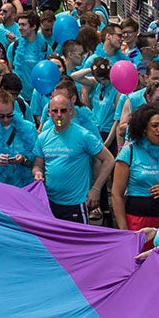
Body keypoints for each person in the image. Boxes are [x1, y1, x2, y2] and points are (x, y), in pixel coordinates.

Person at [33, 94, 110, 224]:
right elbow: (37, 165)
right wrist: (37, 173)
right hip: (51, 202)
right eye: (55, 111)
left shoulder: (83, 135)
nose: (59, 115)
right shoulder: (43, 137)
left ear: (70, 111)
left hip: (76, 204)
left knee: (79, 243)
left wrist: (96, 189)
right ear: (49, 113)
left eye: (63, 110)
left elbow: (109, 160)